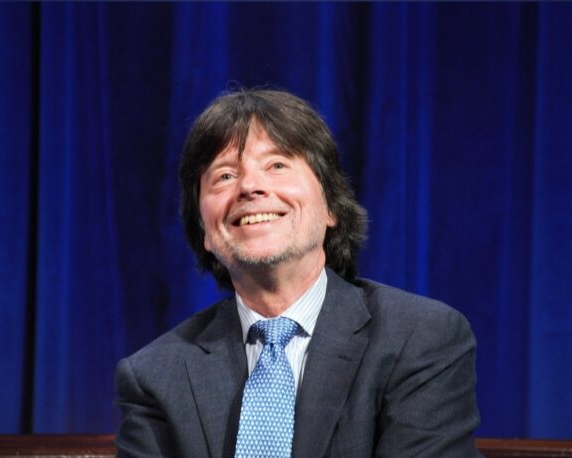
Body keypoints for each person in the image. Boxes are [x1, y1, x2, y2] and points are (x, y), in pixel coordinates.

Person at [114, 89, 481, 457]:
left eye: (276, 165)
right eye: (224, 175)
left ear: (331, 209)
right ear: (205, 232)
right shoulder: (154, 376)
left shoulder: (419, 339)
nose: (249, 187)